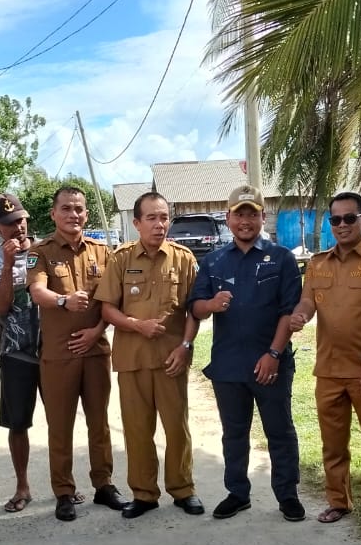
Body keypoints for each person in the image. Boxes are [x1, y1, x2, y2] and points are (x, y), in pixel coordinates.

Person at [190, 184, 305, 521]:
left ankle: (288, 496)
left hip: (271, 363)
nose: (245, 220)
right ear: (227, 218)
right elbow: (195, 308)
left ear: (262, 217)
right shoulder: (212, 261)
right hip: (228, 366)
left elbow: (288, 310)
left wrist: (273, 354)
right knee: (234, 434)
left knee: (280, 431)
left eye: (252, 213)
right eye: (239, 214)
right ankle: (237, 493)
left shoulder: (281, 258)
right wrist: (210, 304)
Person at [290, 190, 361, 524]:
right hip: (328, 370)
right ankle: (338, 501)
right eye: (335, 219)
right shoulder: (317, 263)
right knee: (333, 442)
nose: (342, 225)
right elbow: (308, 302)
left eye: (349, 218)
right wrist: (300, 315)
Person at [96, 191, 203, 518]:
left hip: (171, 360)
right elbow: (107, 309)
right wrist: (136, 325)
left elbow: (194, 312)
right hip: (133, 361)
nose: (160, 225)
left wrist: (185, 347)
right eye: (152, 218)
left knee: (177, 428)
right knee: (137, 430)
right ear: (137, 223)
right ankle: (143, 494)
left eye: (164, 217)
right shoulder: (121, 258)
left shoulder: (184, 259)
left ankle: (183, 490)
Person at [27, 186, 125, 521]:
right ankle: (64, 492)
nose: (74, 214)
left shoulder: (102, 252)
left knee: (100, 423)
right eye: (66, 208)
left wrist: (96, 332)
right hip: (58, 355)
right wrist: (62, 300)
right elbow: (38, 290)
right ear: (54, 214)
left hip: (96, 351)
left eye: (79, 209)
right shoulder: (39, 252)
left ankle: (104, 484)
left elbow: (112, 300)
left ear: (86, 214)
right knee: (60, 425)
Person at [0, 193, 42, 513]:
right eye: (8, 223)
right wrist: (7, 264)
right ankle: (22, 485)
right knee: (18, 423)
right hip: (15, 350)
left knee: (61, 419)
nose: (18, 227)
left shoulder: (45, 249)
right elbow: (1, 306)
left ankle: (65, 484)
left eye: (20, 219)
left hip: (54, 347)